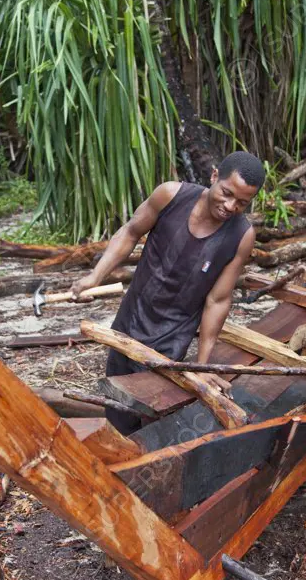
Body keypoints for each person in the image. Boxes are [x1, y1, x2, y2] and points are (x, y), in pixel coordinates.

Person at [70, 151, 263, 434]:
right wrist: (95, 276)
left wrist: (203, 365)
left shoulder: (241, 236)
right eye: (226, 193)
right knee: (118, 404)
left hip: (172, 337)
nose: (230, 206)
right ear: (213, 176)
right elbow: (130, 232)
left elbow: (218, 299)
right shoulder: (171, 196)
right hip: (130, 320)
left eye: (242, 203)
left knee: (154, 415)